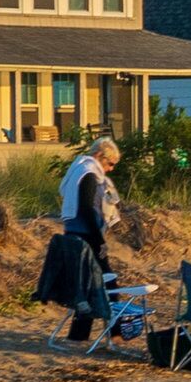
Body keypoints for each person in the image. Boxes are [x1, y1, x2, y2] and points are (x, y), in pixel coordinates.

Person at [41, 138, 123, 343]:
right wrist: (99, 240)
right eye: (110, 163)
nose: (111, 169)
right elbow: (86, 209)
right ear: (99, 156)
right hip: (85, 237)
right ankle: (116, 332)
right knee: (109, 283)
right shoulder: (89, 174)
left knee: (87, 285)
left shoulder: (78, 170)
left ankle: (79, 334)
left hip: (73, 235)